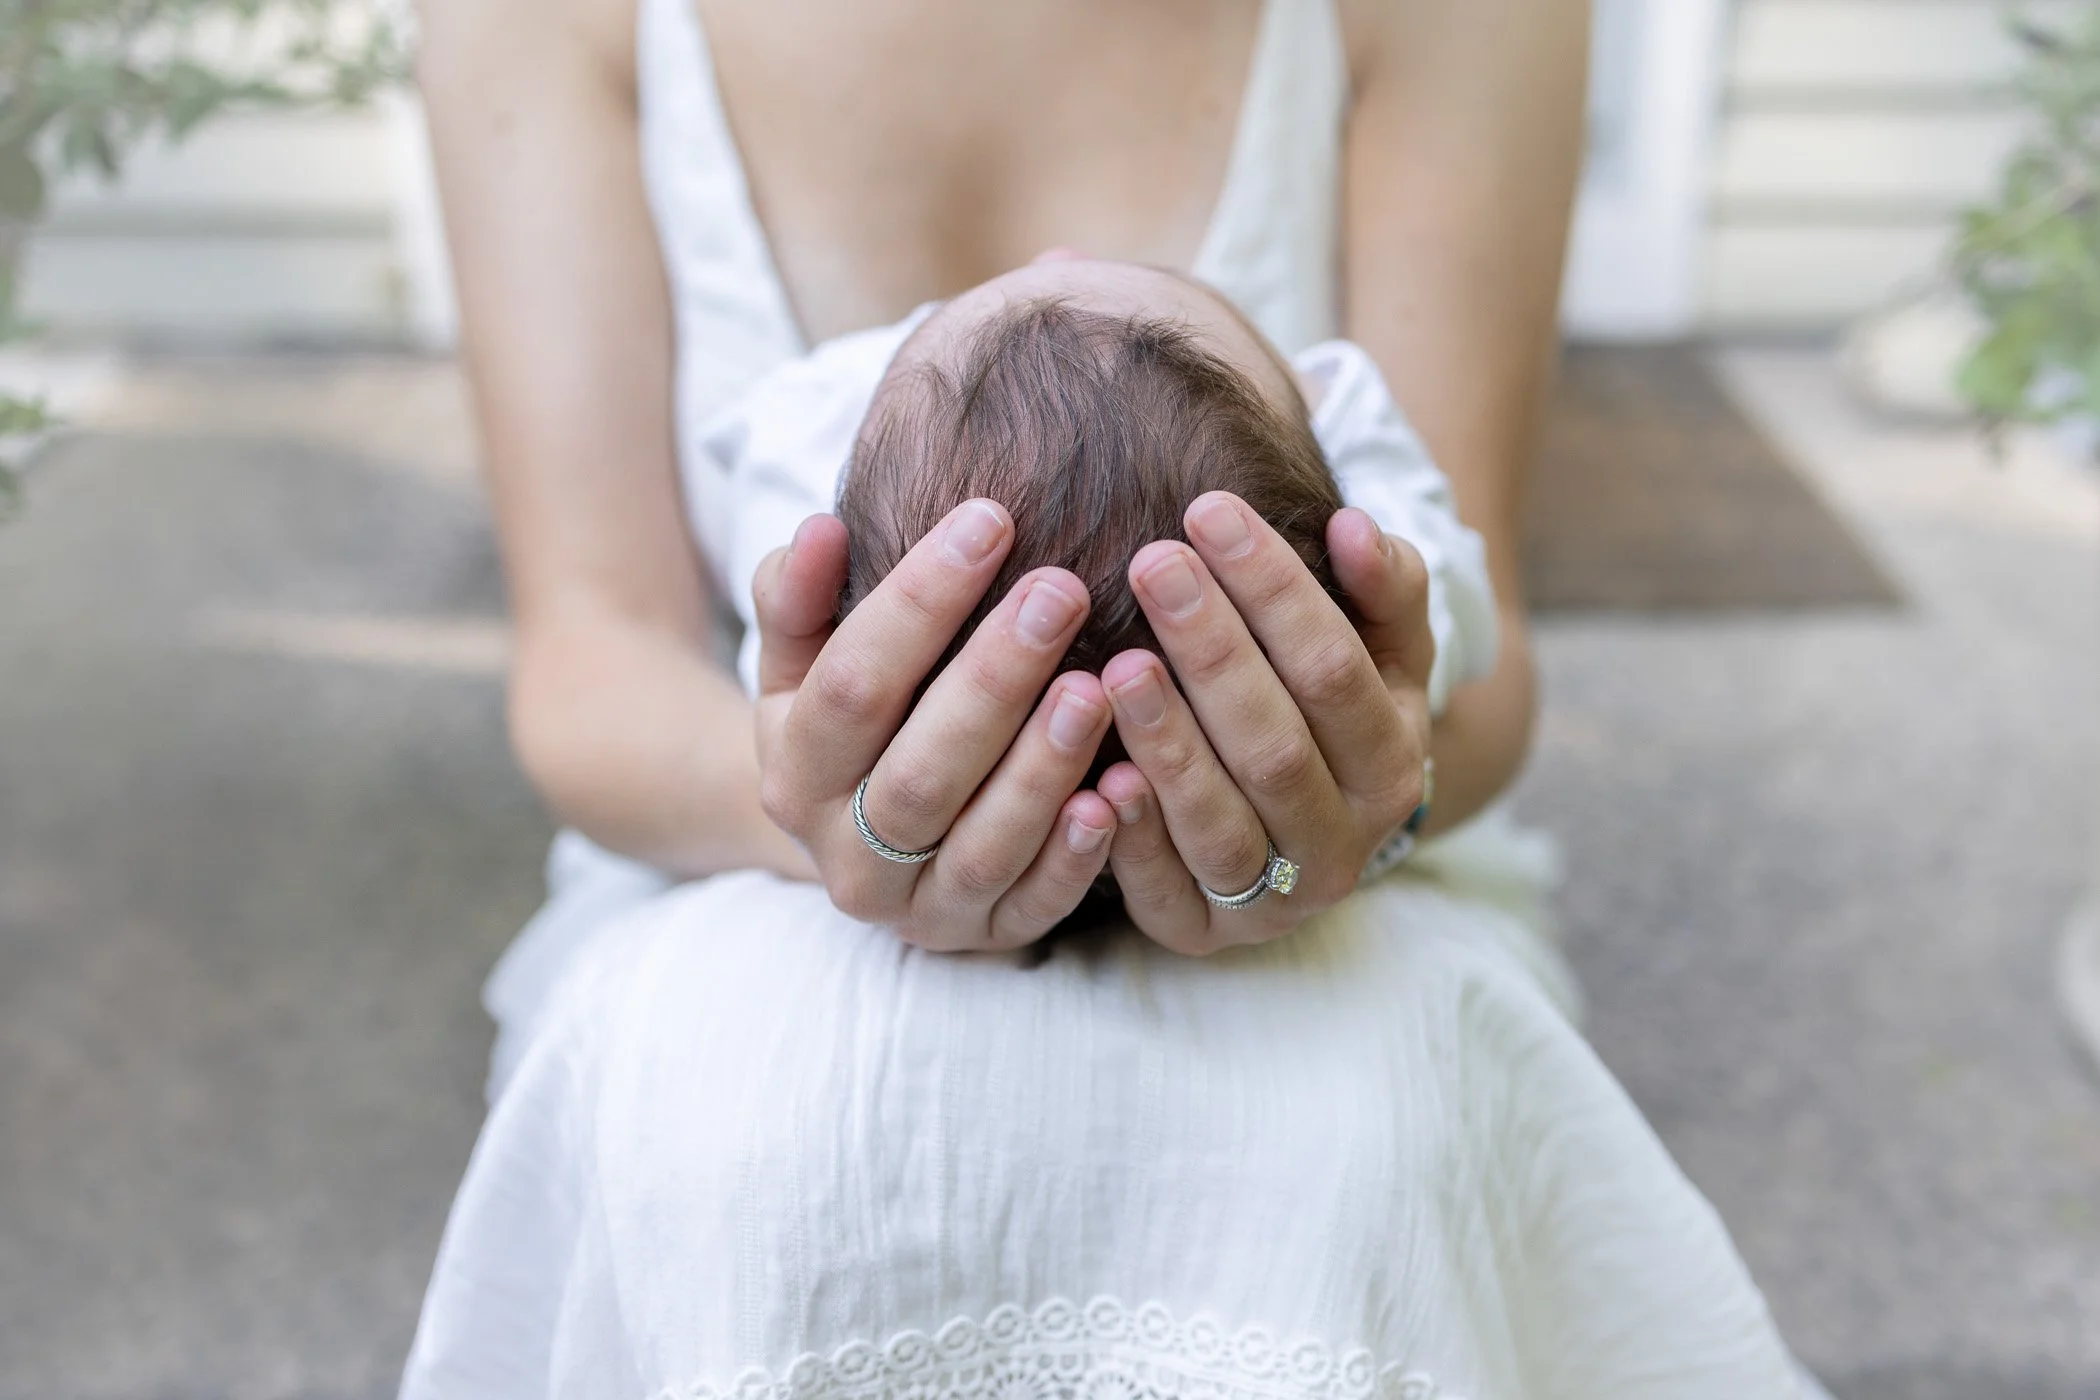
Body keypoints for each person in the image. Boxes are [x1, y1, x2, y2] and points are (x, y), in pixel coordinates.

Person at [405, 0, 1811, 1394]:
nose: (1061, 258)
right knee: (742, 1148)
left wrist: (1371, 783)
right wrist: (851, 807)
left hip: (1333, 860)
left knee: (1365, 1148)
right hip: (727, 823)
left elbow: (1473, 675)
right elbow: (597, 655)